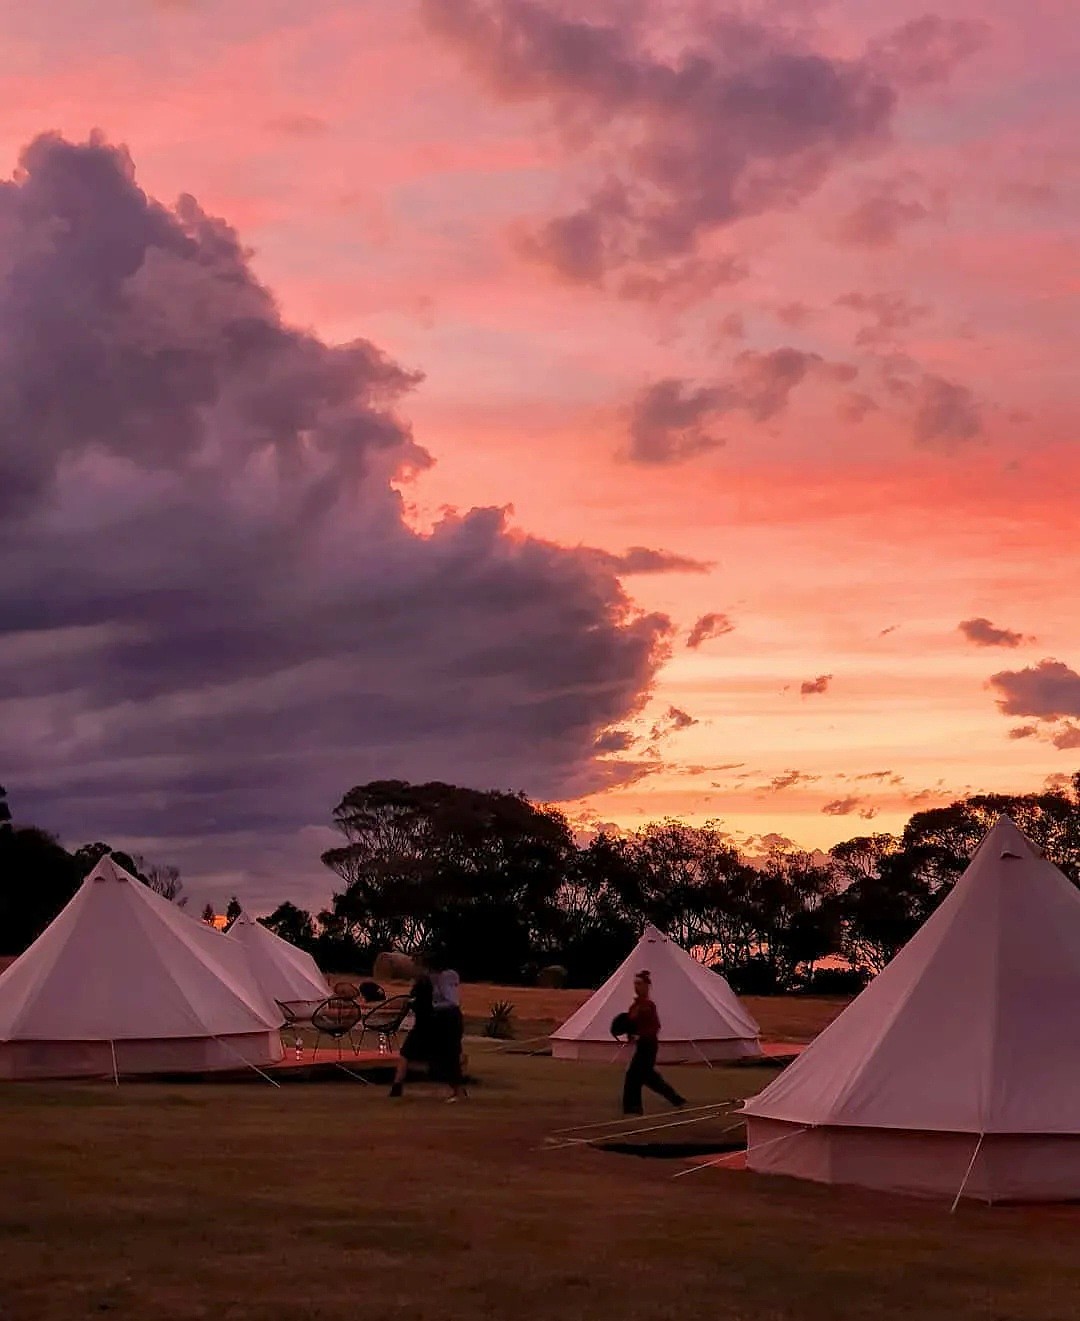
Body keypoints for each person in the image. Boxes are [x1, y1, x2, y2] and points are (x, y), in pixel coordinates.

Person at [622, 970, 685, 1116]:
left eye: (639, 984)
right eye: (635, 984)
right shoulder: (635, 1006)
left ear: (646, 986)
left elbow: (655, 1027)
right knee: (648, 1077)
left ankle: (633, 1107)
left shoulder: (648, 1006)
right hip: (642, 1044)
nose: (636, 987)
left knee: (634, 1075)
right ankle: (676, 1099)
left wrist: (640, 1035)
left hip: (648, 1045)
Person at [388, 967, 434, 1098]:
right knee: (443, 1057)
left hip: (421, 1029)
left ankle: (397, 1085)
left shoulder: (417, 998)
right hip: (433, 1028)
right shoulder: (434, 996)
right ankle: (456, 1086)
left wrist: (395, 1025)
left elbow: (405, 1010)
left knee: (405, 1055)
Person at [427, 952, 467, 1102]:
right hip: (446, 1017)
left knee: (449, 1055)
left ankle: (458, 1091)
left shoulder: (444, 978)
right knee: (447, 1055)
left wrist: (433, 1005)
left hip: (448, 1018)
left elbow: (452, 1001)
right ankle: (457, 1089)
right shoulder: (439, 978)